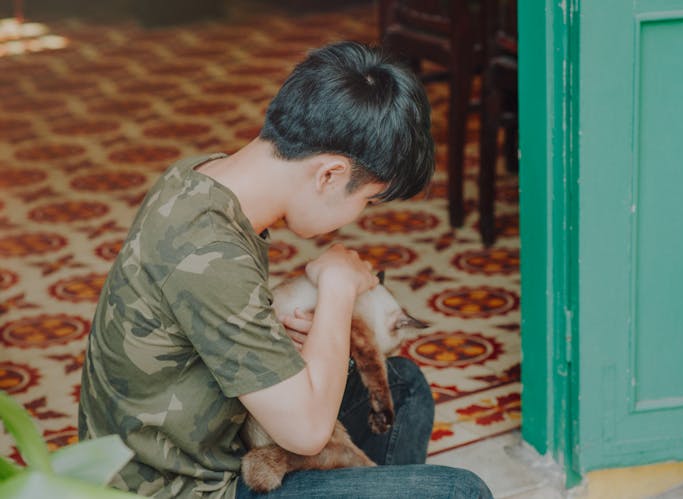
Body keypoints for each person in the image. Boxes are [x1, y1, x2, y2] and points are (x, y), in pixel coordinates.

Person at [78, 41, 493, 498]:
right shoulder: (210, 251)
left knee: (404, 388)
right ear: (330, 175)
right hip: (183, 488)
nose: (358, 216)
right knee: (460, 492)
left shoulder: (201, 178)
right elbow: (307, 433)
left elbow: (209, 321)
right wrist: (336, 285)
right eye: (366, 201)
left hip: (204, 443)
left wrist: (275, 333)